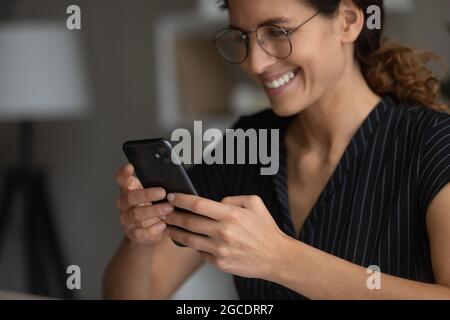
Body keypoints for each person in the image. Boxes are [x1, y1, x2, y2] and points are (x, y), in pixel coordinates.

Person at [103, 0, 450, 299]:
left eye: (277, 33)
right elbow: (135, 292)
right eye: (242, 37)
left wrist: (282, 260)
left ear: (348, 20)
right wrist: (141, 241)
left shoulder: (432, 143)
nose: (255, 63)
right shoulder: (249, 143)